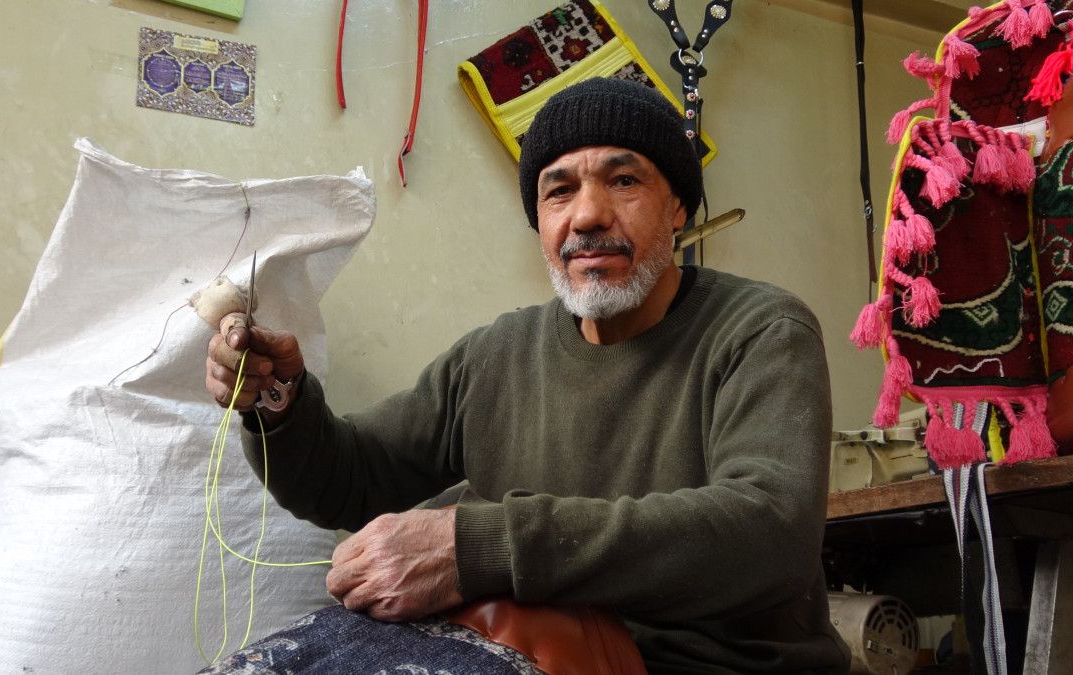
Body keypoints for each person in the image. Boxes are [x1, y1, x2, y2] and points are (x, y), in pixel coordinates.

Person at [204, 77, 851, 673]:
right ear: (539, 221)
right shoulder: (496, 354)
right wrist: (278, 400)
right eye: (559, 190)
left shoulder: (761, 330)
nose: (588, 215)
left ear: (678, 207)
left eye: (624, 180)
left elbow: (770, 531)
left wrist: (477, 548)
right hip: (531, 647)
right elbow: (348, 479)